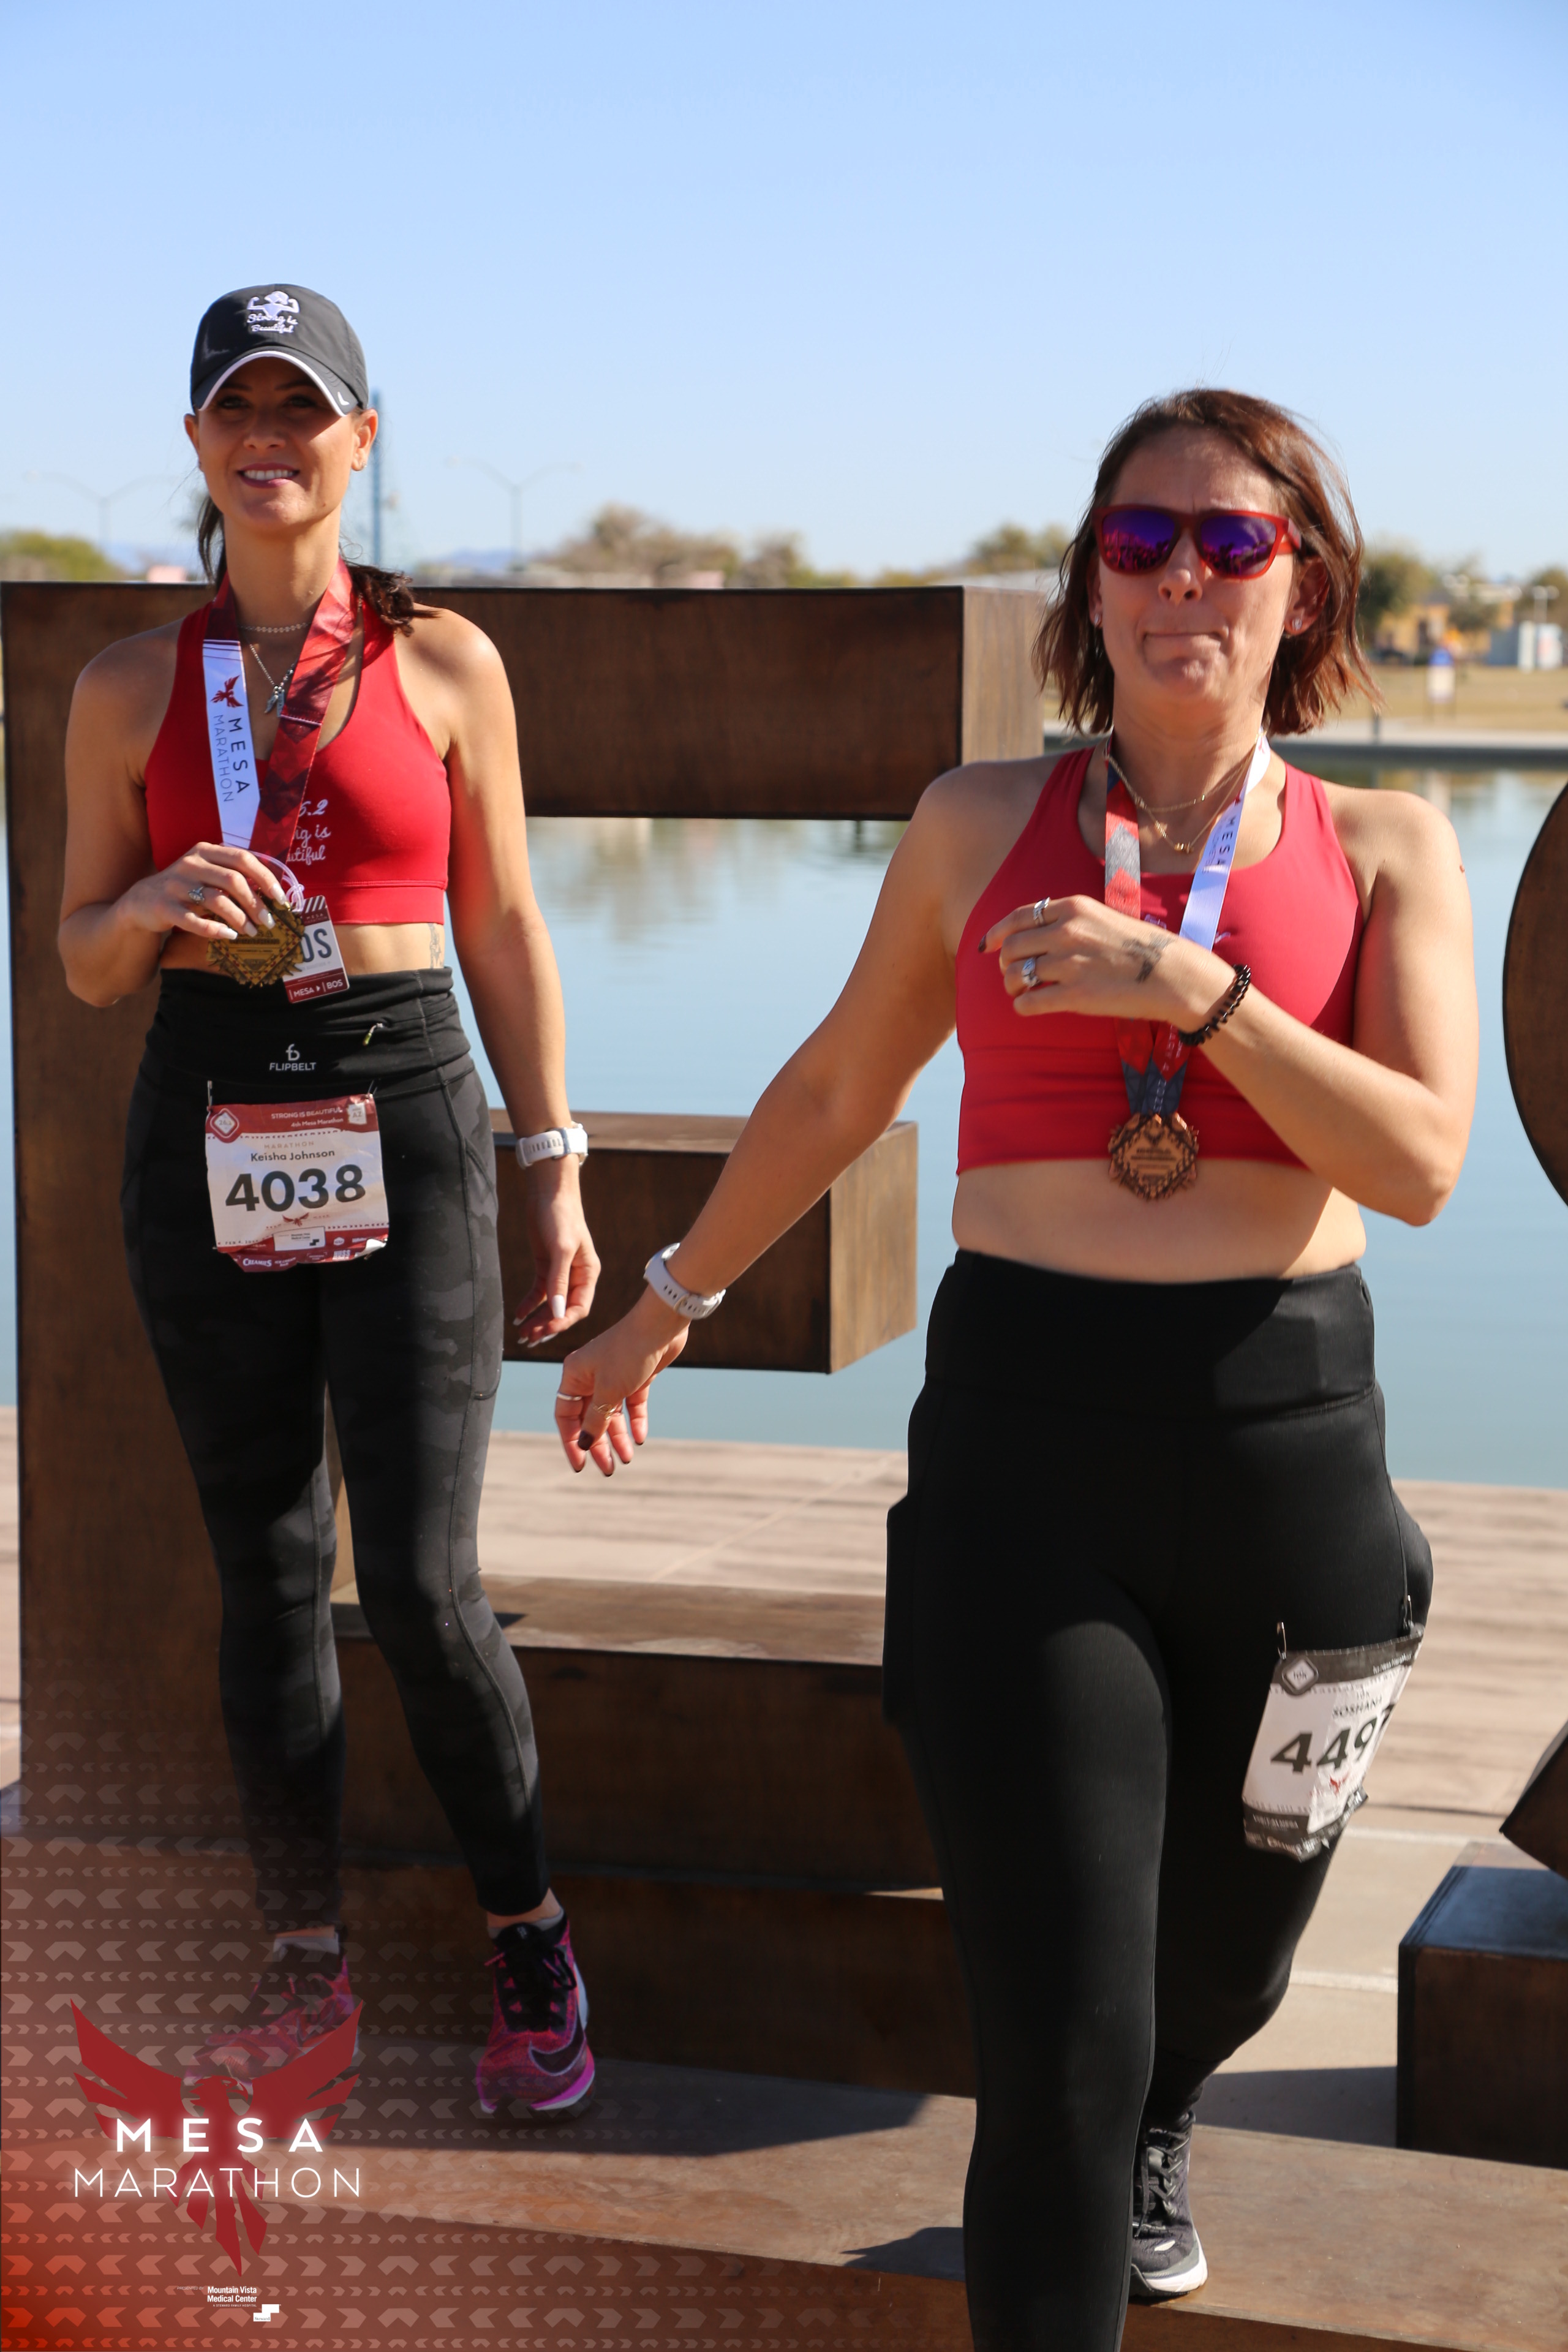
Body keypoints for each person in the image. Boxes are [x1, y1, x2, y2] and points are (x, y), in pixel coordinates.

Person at [552, 390, 1477, 2344]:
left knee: (1222, 1963)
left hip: (1290, 1442)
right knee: (1058, 2023)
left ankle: (1165, 2109)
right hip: (1024, 1450)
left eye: (1231, 541)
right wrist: (666, 1301)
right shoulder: (979, 823)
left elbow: (1418, 1165)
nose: (1182, 578)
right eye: (1140, 540)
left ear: (1304, 582)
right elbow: (838, 1086)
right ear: (1090, 581)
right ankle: (1101, 2138)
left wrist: (1199, 995)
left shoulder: (1387, 843)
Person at [59, 284, 598, 2119]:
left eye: (305, 410)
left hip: (406, 1102)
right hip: (208, 1110)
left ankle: (530, 1938)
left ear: (363, 441)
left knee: (428, 1587)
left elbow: (503, 921)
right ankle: (303, 1963)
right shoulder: (128, 686)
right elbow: (82, 958)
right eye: (238, 411)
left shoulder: (444, 661)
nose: (269, 440)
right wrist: (144, 909)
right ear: (196, 443)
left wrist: (550, 1161)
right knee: (270, 1573)